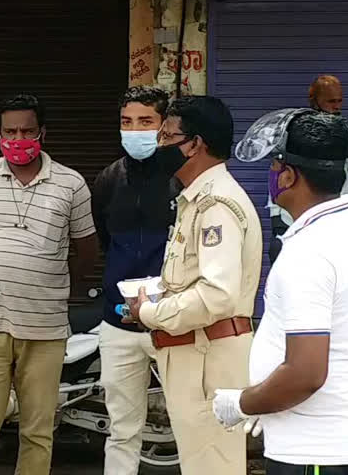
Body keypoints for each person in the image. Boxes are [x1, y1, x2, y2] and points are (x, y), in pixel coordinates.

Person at [213, 109, 348, 475]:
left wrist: (244, 403)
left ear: (289, 176)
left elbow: (306, 373)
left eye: (274, 167)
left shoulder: (308, 252)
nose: (271, 176)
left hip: (316, 452)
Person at [0, 93, 99, 475]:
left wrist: (56, 286)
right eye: (10, 131)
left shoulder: (71, 183)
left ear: (42, 133)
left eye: (27, 130)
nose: (19, 138)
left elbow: (86, 249)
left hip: (45, 326)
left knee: (38, 430)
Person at [124, 96, 263, 474]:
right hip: (197, 356)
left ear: (194, 144)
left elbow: (217, 295)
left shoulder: (216, 204)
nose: (159, 146)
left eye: (167, 137)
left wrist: (151, 312)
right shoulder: (195, 200)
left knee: (212, 466)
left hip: (208, 360)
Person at [91, 86, 181, 475]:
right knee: (122, 430)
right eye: (127, 122)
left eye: (146, 122)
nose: (135, 130)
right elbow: (104, 239)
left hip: (174, 321)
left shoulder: (183, 177)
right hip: (119, 324)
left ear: (164, 127)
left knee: (191, 424)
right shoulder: (108, 179)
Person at [267, 74, 348, 263]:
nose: (337, 106)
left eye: (340, 101)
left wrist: (345, 139)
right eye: (331, 101)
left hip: (333, 222)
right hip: (293, 220)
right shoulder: (292, 130)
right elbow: (278, 170)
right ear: (314, 100)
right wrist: (276, 216)